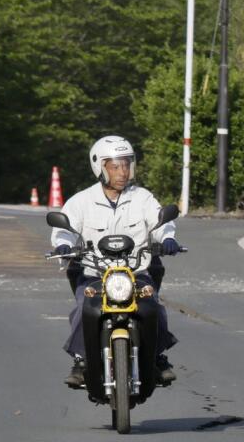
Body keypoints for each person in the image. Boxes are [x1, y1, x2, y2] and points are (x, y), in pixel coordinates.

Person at [50, 136, 180, 388]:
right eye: (115, 166)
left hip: (135, 273)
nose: (122, 172)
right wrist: (63, 244)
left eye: (126, 164)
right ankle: (82, 360)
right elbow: (65, 228)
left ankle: (157, 357)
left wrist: (168, 238)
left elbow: (160, 221)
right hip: (95, 274)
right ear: (100, 167)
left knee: (152, 307)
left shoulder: (142, 197)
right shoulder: (81, 201)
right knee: (84, 308)